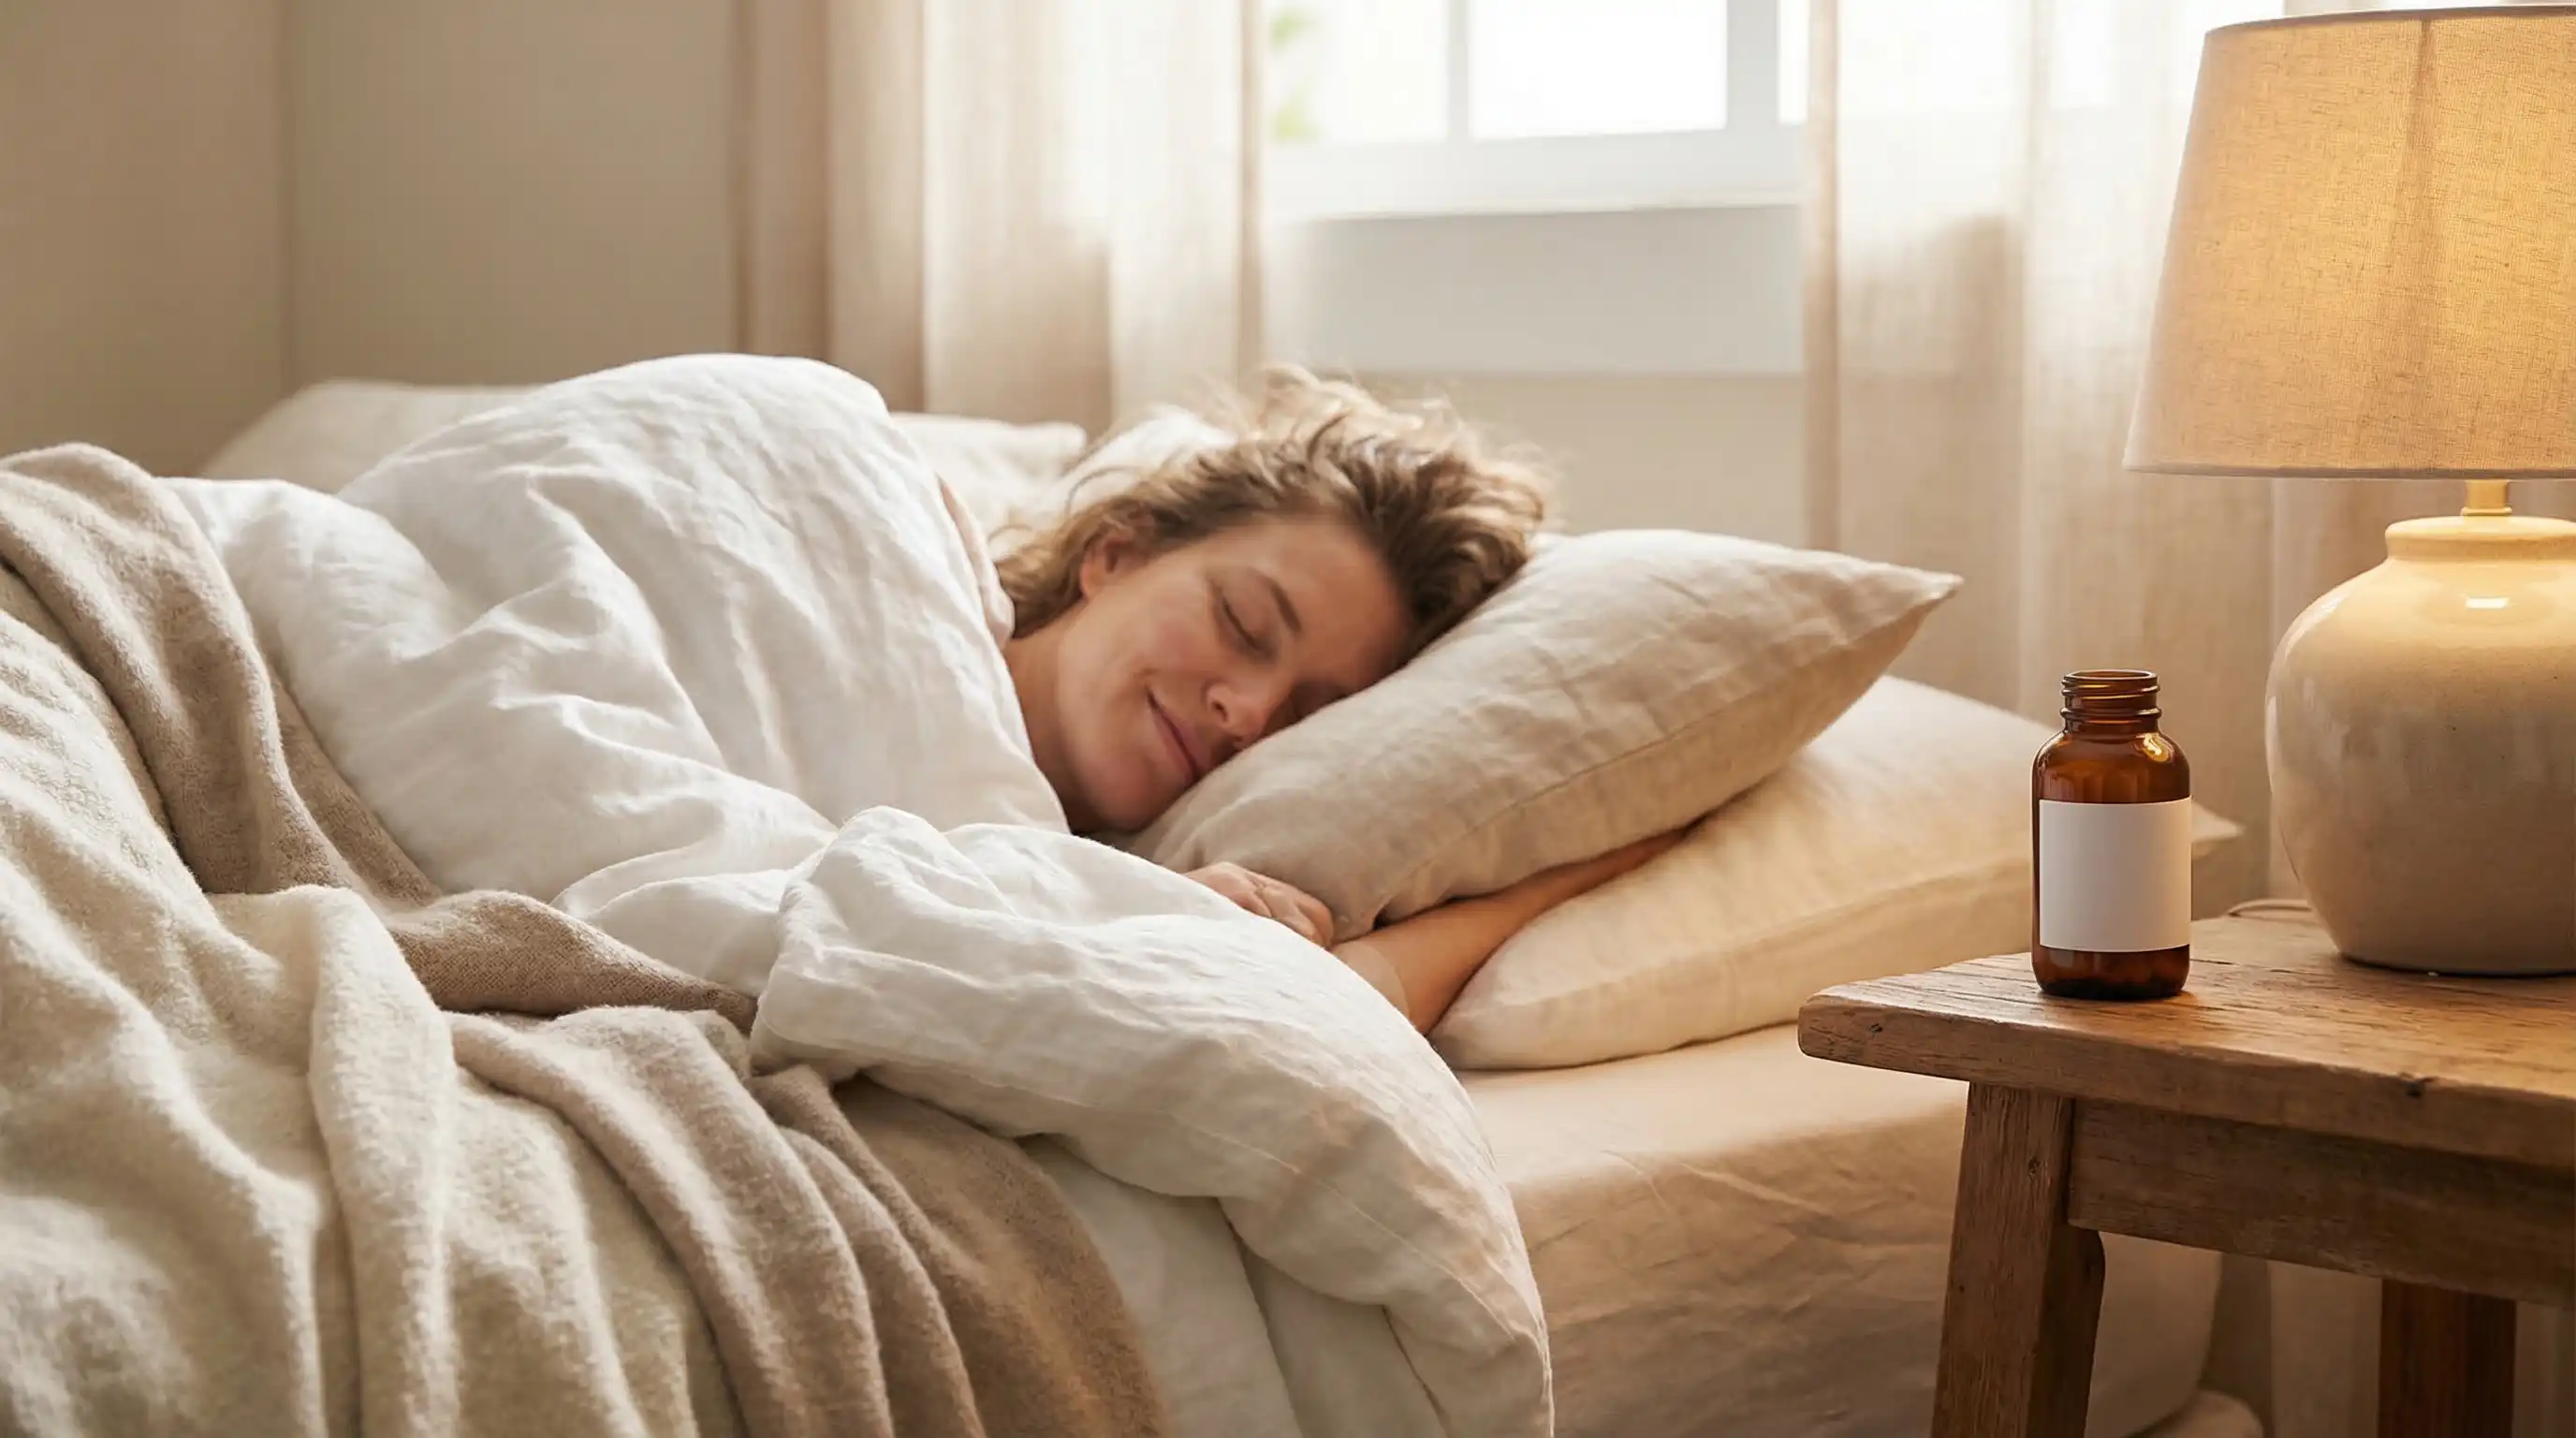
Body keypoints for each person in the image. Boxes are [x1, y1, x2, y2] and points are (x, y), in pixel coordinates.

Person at [998, 369, 1673, 1030]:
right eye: (1242, 623)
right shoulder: (912, 591)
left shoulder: (1094, 870)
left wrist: (1563, 878)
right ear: (1116, 553)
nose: (1254, 713)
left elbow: (1326, 1015)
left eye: (1306, 713)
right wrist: (1104, 909)